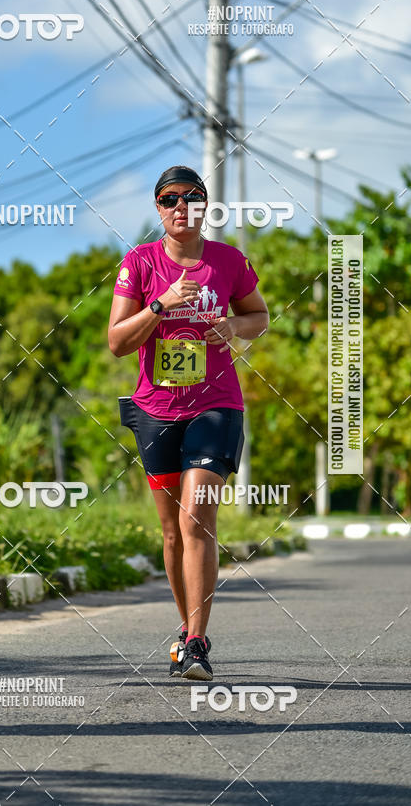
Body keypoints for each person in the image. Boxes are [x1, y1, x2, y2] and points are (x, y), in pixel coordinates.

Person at [108, 166, 269, 680]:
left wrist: (233, 326)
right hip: (155, 411)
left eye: (192, 198)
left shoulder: (228, 261)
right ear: (158, 209)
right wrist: (160, 304)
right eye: (170, 199)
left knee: (196, 519)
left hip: (216, 404)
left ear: (205, 207)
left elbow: (258, 317)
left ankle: (197, 643)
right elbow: (117, 342)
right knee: (171, 534)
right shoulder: (139, 263)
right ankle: (186, 628)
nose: (181, 206)